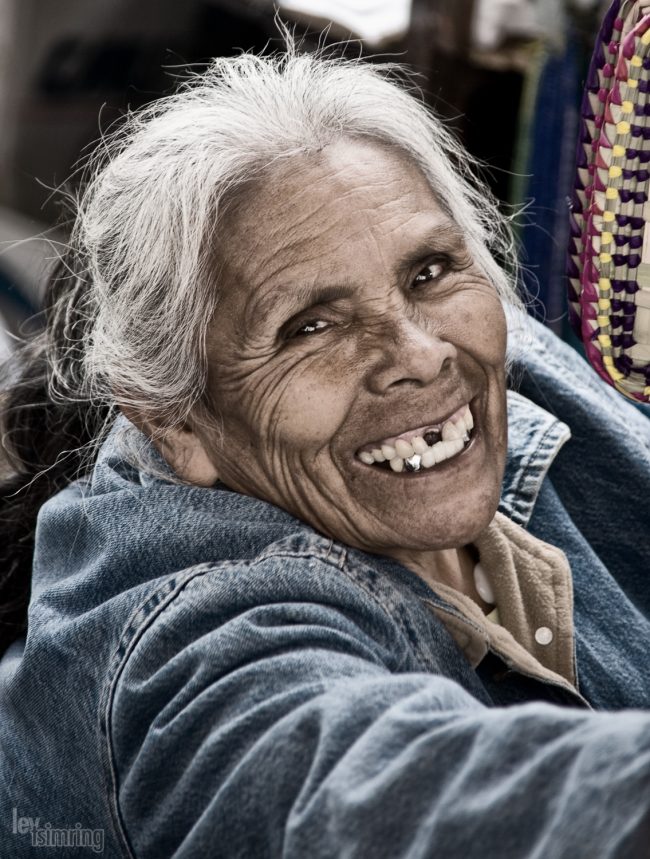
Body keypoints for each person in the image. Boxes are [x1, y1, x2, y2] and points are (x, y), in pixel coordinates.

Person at [0, 46, 649, 858]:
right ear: (177, 423)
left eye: (429, 270)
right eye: (311, 326)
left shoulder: (501, 364)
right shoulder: (190, 642)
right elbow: (371, 801)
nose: (418, 353)